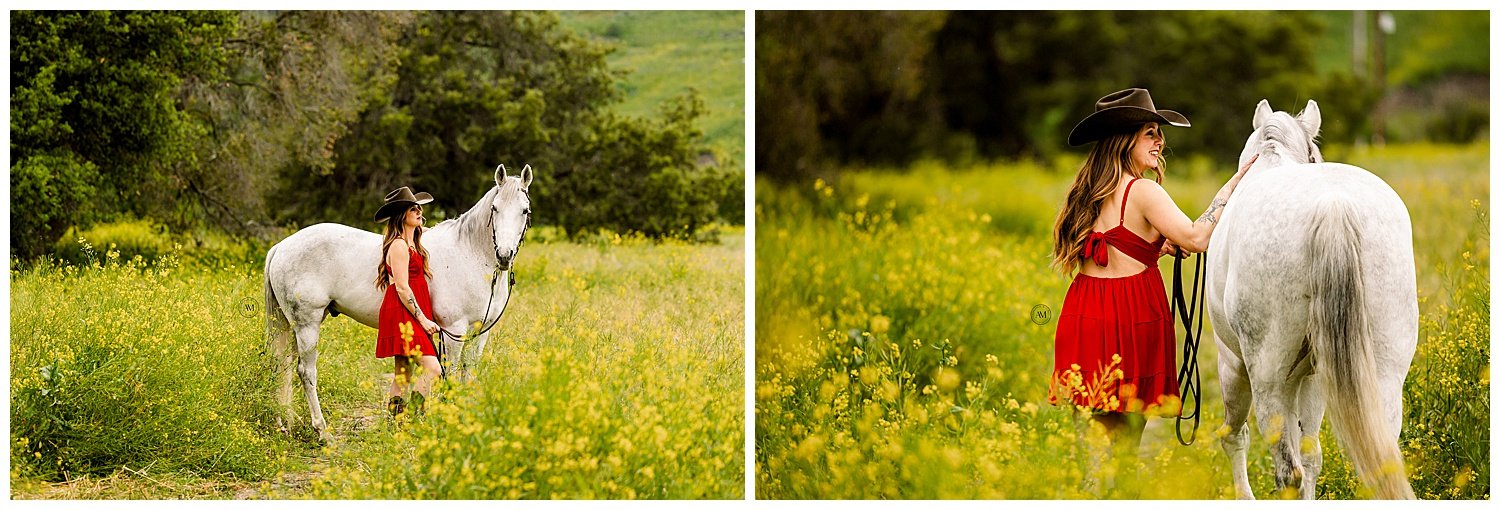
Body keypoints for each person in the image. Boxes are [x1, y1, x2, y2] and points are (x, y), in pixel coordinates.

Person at [1049, 88, 1257, 472]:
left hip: (1085, 312)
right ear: (1124, 139)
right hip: (1129, 316)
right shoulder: (1142, 190)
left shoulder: (1087, 191)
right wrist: (1234, 186)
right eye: (1150, 132)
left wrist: (1154, 250)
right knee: (1125, 441)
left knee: (1094, 441)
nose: (1160, 141)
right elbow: (1196, 238)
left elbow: (1112, 244)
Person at [373, 186, 443, 416]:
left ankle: (396, 421)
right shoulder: (399, 246)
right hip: (403, 309)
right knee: (433, 368)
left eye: (419, 208)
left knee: (403, 373)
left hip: (411, 308)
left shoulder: (414, 244)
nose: (419, 211)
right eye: (413, 209)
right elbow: (402, 287)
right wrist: (423, 319)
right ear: (403, 215)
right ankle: (414, 415)